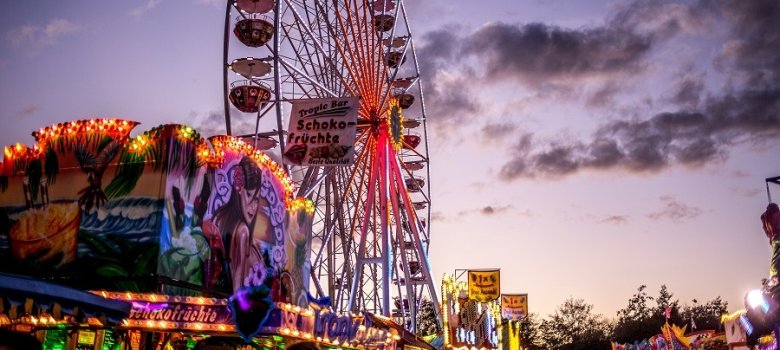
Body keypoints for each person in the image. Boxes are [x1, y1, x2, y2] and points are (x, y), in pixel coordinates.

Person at [761, 203, 780, 285]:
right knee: (776, 255)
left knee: (776, 255)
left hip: (774, 238)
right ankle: (775, 275)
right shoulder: (771, 215)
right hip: (776, 237)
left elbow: (766, 230)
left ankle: (775, 275)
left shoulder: (766, 216)